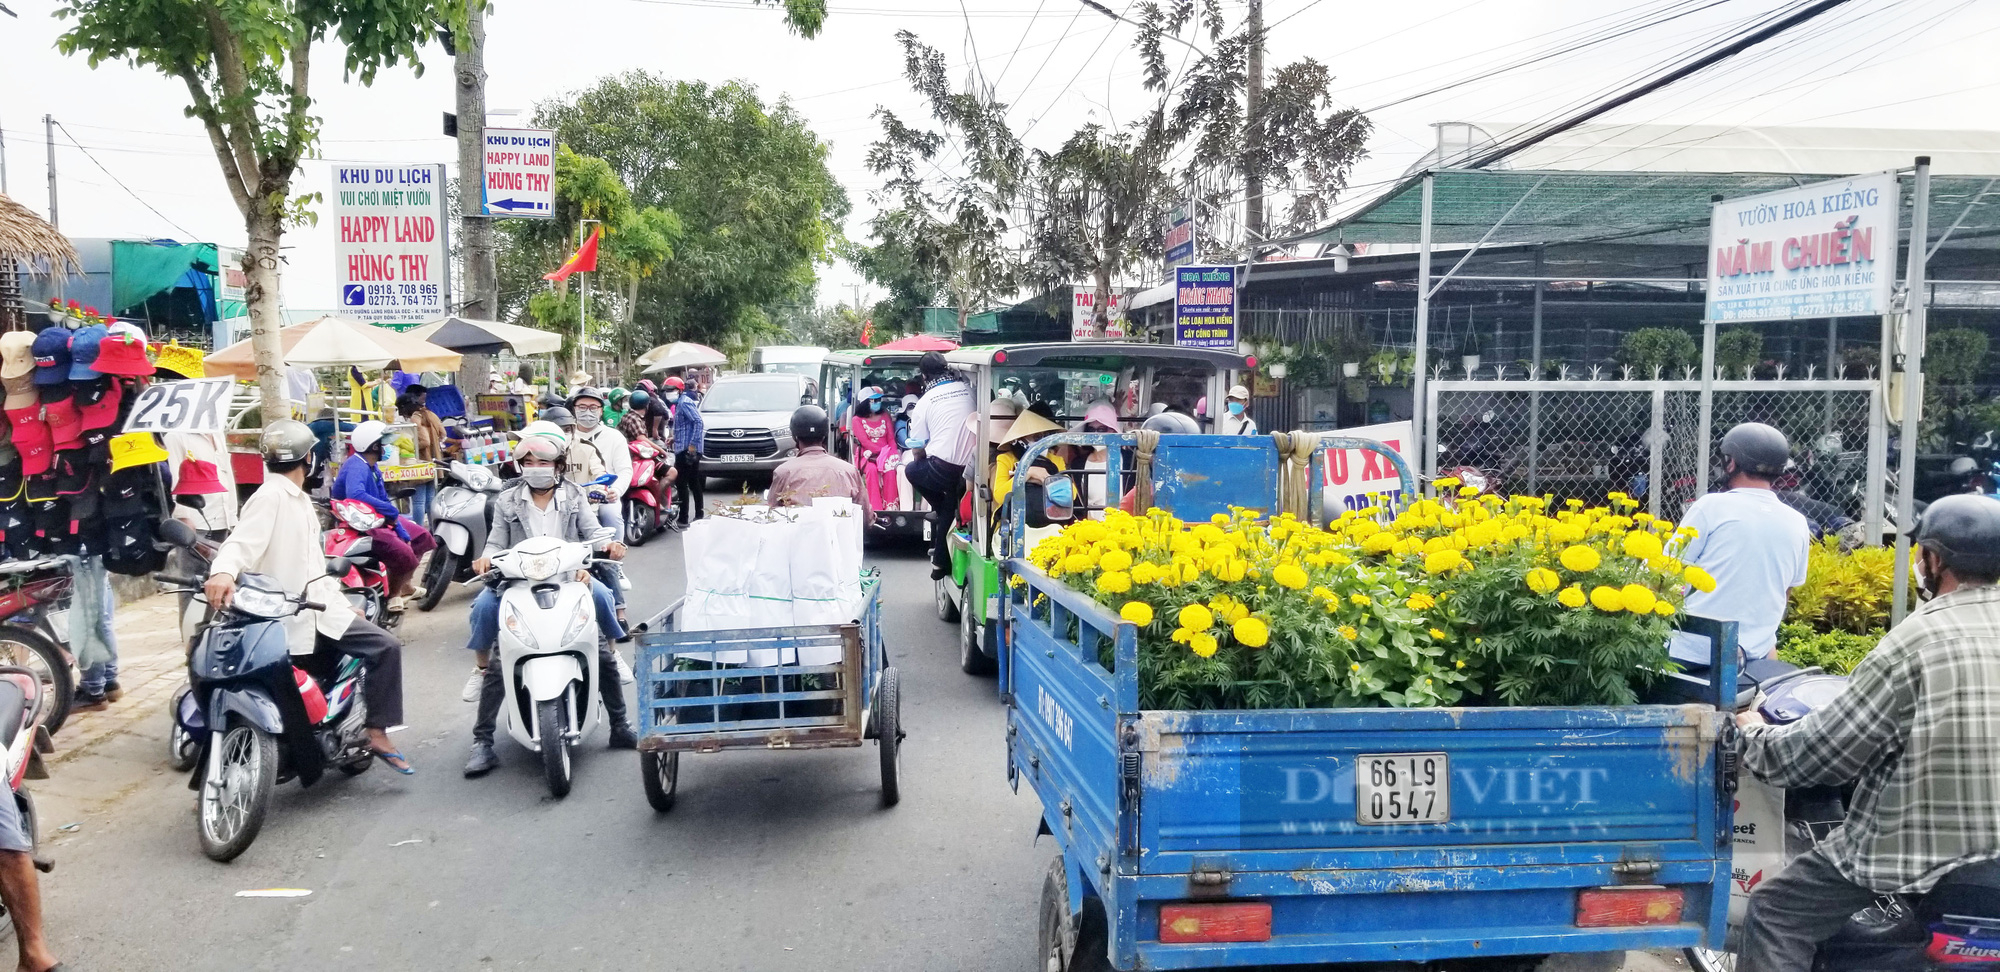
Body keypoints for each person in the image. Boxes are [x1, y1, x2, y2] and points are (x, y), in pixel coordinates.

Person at [1734, 494, 2000, 972]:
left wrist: (1754, 737)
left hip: (1919, 852)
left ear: (1934, 560)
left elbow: (1822, 755)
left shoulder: (1917, 639)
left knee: (1776, 912)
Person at [205, 420, 414, 774]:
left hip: (320, 606)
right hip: (287, 615)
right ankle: (377, 731)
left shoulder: (297, 499)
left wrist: (342, 601)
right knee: (386, 647)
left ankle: (350, 728)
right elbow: (240, 542)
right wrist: (222, 571)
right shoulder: (271, 498)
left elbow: (313, 568)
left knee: (368, 645)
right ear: (310, 460)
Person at [462, 423, 634, 776]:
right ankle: (482, 739)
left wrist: (610, 544)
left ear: (558, 465)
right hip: (516, 582)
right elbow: (496, 541)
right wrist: (485, 557)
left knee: (599, 627)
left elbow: (593, 531)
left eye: (542, 461)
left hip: (570, 578)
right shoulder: (508, 499)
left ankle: (620, 723)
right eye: (527, 461)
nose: (534, 467)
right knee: (492, 636)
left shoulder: (574, 495)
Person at [1666, 423, 1812, 666]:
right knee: (1770, 646)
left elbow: (1666, 572)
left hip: (1693, 654)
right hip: (1753, 658)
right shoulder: (1798, 522)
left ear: (1731, 463)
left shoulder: (1711, 506)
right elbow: (1783, 594)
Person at [329, 420, 438, 611]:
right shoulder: (356, 466)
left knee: (422, 537)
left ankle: (404, 584)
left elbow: (381, 498)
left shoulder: (372, 466)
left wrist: (396, 521)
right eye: (383, 444)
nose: (386, 448)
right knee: (405, 554)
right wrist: (391, 513)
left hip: (380, 518)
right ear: (373, 446)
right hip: (362, 523)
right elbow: (355, 495)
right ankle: (393, 594)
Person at [903, 351, 976, 579]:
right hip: (974, 467)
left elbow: (916, 449)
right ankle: (939, 562)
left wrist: (922, 455)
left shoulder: (925, 401)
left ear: (924, 376)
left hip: (943, 469)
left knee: (912, 470)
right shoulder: (969, 389)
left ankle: (938, 506)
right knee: (949, 507)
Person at [769, 405, 872, 522]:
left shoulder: (784, 472)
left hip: (799, 538)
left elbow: (772, 513)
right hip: (840, 539)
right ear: (825, 435)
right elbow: (866, 517)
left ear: (794, 437)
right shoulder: (849, 470)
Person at [395, 386, 445, 527]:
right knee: (430, 499)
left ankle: (417, 531)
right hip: (432, 462)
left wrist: (408, 444)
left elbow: (424, 441)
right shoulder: (430, 414)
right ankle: (433, 528)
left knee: (418, 501)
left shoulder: (415, 419)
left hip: (420, 462)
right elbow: (443, 434)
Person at [847, 386, 899, 511]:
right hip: (867, 454)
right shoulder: (857, 420)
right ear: (865, 403)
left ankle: (891, 507)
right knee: (871, 471)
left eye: (878, 400)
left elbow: (891, 438)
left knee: (891, 470)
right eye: (874, 401)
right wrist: (880, 453)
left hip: (887, 452)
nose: (878, 403)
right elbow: (865, 442)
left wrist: (891, 453)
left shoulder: (885, 415)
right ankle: (874, 509)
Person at [667, 376, 706, 524]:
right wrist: (674, 438)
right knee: (692, 481)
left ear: (680, 390)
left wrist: (692, 446)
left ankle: (684, 517)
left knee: (683, 482)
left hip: (688, 449)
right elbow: (685, 427)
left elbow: (698, 422)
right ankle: (698, 515)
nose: (669, 393)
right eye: (667, 390)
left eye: (672, 390)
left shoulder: (684, 403)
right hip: (682, 446)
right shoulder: (681, 403)